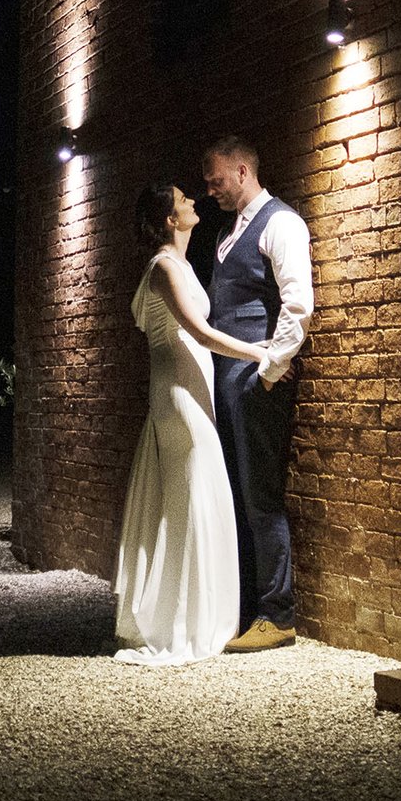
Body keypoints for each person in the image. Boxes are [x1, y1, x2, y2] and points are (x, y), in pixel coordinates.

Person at [113, 181, 273, 664]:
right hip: (178, 396)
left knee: (194, 495)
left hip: (188, 389)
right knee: (192, 495)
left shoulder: (180, 265)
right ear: (169, 219)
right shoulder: (164, 268)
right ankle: (186, 620)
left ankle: (202, 613)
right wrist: (257, 351)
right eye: (184, 200)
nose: (193, 203)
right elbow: (199, 332)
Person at [200, 135, 312, 651]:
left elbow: (298, 305)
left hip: (253, 379)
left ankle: (278, 613)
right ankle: (245, 605)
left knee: (260, 493)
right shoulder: (228, 231)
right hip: (226, 378)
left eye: (217, 180)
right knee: (236, 493)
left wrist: (270, 369)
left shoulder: (281, 223)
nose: (210, 190)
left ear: (243, 172)